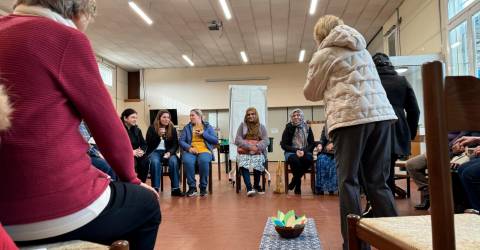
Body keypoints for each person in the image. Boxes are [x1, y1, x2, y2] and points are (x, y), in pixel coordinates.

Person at [0, 1, 160, 249]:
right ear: (78, 11)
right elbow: (108, 129)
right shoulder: (66, 38)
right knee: (147, 206)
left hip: (4, 219)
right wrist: (132, 179)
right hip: (54, 209)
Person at [304, 15, 398, 249]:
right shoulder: (362, 49)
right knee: (378, 182)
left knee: (348, 182)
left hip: (350, 118)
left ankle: (355, 245)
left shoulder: (324, 53)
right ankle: (397, 241)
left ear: (320, 36)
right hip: (381, 117)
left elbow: (311, 92)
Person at [372, 53, 420, 198]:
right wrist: (409, 134)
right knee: (389, 168)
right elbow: (414, 111)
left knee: (374, 170)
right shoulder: (402, 81)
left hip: (375, 128)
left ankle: (378, 205)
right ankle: (388, 203)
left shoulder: (371, 81)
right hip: (397, 129)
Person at [180, 109, 218, 197]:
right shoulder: (187, 127)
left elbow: (215, 140)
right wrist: (189, 148)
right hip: (191, 150)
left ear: (199, 116)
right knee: (187, 161)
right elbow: (181, 141)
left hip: (205, 150)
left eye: (193, 115)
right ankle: (192, 187)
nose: (191, 117)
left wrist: (204, 134)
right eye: (190, 115)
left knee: (204, 161)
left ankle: (203, 187)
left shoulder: (208, 127)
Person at [145, 110, 183, 196]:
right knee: (155, 162)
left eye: (168, 117)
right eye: (164, 117)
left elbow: (175, 144)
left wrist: (170, 153)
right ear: (159, 118)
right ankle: (155, 189)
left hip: (168, 152)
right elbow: (148, 143)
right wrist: (158, 135)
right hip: (155, 151)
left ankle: (175, 189)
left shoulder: (172, 129)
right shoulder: (151, 128)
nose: (166, 119)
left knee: (173, 161)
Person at [234, 107, 269, 197]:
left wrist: (257, 147)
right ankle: (249, 188)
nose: (250, 116)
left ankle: (256, 185)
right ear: (246, 116)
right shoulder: (242, 126)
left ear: (256, 115)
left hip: (257, 151)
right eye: (248, 114)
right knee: (243, 162)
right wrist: (249, 146)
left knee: (258, 161)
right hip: (244, 151)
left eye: (253, 114)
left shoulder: (262, 127)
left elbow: (266, 141)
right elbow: (237, 140)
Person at [280, 109, 315, 195]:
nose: (296, 117)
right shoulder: (288, 127)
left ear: (301, 116)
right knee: (295, 160)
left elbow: (312, 143)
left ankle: (294, 181)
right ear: (291, 117)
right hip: (291, 151)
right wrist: (296, 150)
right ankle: (298, 184)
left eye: (298, 115)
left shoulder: (307, 127)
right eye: (294, 115)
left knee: (308, 159)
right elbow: (284, 145)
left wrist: (303, 151)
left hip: (305, 151)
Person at [121, 108, 148, 182]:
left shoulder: (137, 130)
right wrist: (131, 152)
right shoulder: (119, 129)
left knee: (145, 160)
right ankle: (133, 185)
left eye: (136, 118)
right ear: (125, 118)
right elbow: (119, 145)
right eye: (133, 117)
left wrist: (141, 151)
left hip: (136, 153)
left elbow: (143, 144)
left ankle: (142, 183)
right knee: (133, 162)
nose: (135, 119)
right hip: (124, 153)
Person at [315, 126, 337, 195]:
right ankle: (320, 188)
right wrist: (320, 145)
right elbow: (322, 140)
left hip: (339, 151)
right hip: (327, 151)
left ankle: (332, 188)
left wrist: (334, 144)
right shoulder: (326, 127)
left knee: (334, 162)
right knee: (321, 159)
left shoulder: (341, 125)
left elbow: (346, 138)